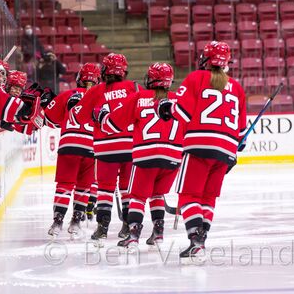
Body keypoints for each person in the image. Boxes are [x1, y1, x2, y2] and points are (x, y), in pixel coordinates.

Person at [156, 41, 247, 263]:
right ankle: (201, 241)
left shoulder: (196, 78)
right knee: (208, 198)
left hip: (198, 145)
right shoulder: (236, 87)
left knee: (189, 195)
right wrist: (234, 148)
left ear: (205, 59)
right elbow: (242, 133)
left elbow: (182, 113)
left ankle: (196, 242)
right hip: (225, 150)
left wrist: (167, 108)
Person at [98, 63, 183, 247]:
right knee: (157, 194)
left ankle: (134, 235)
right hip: (173, 158)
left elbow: (112, 125)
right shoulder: (178, 100)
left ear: (151, 79)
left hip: (146, 156)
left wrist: (102, 116)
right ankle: (158, 233)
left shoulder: (139, 97)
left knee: (137, 196)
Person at [71, 53, 139, 243]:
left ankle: (102, 227)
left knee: (105, 190)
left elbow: (79, 118)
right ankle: (127, 225)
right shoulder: (134, 87)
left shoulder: (97, 90)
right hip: (131, 148)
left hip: (106, 149)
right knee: (127, 189)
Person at [44, 63, 101, 238]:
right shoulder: (101, 98)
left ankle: (57, 221)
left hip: (69, 145)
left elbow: (48, 119)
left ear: (79, 79)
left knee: (64, 185)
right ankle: (76, 222)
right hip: (91, 147)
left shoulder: (67, 95)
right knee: (84, 186)